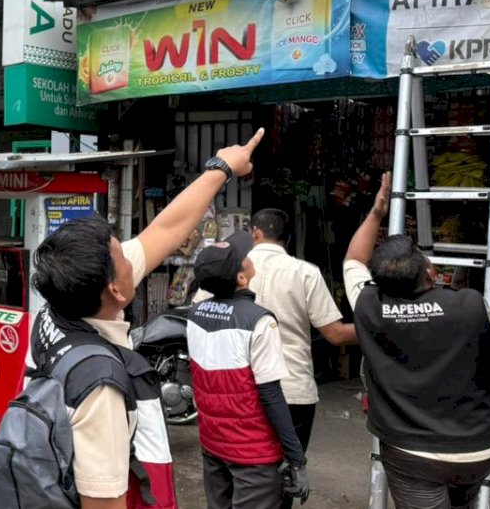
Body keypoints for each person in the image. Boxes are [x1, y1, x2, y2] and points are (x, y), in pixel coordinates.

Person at [27, 128, 264, 509]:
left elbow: (166, 229)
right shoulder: (99, 386)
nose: (134, 255)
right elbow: (103, 502)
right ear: (115, 291)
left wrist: (221, 168)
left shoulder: (54, 314)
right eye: (123, 257)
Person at [343, 172, 490, 509]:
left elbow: (353, 261)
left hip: (412, 454)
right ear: (429, 273)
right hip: (477, 449)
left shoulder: (368, 305)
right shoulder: (474, 306)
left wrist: (376, 212)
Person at [194, 208, 356, 466]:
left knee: (238, 475)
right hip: (292, 391)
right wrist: (378, 328)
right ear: (287, 239)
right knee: (285, 476)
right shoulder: (305, 272)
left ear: (254, 233)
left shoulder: (229, 267)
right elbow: (335, 335)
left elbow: (202, 314)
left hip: (238, 393)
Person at [187, 231, 309, 509]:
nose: (249, 256)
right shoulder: (259, 321)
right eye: (245, 257)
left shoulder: (195, 314)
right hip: (252, 452)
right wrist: (297, 458)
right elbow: (270, 394)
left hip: (213, 442)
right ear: (241, 278)